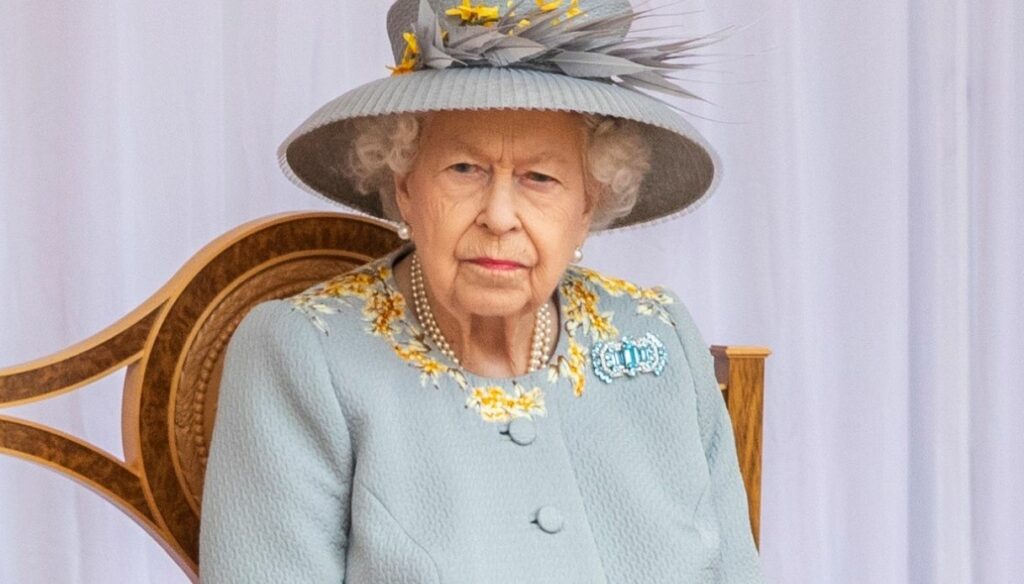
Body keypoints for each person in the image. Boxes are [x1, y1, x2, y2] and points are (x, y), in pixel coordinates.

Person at [199, 0, 763, 582]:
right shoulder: (302, 354)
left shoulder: (658, 334)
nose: (499, 216)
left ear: (588, 204)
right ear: (405, 187)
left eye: (540, 178)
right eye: (464, 169)